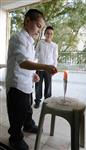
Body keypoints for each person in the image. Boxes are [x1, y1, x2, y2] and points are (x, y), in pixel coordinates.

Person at [6, 9, 57, 150]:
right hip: (17, 84)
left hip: (27, 83)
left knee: (27, 107)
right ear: (28, 21)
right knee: (18, 112)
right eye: (38, 26)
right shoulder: (17, 38)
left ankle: (28, 124)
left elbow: (28, 62)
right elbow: (23, 62)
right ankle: (15, 138)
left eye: (42, 28)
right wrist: (45, 67)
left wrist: (33, 74)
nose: (39, 31)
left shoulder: (30, 41)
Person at [34, 26, 58, 108]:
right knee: (38, 85)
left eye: (51, 33)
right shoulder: (40, 43)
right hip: (39, 67)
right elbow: (36, 54)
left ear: (52, 35)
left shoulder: (54, 45)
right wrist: (33, 65)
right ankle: (37, 101)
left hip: (49, 69)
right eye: (47, 33)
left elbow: (55, 57)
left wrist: (54, 68)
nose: (49, 35)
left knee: (48, 86)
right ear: (45, 34)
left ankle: (47, 102)